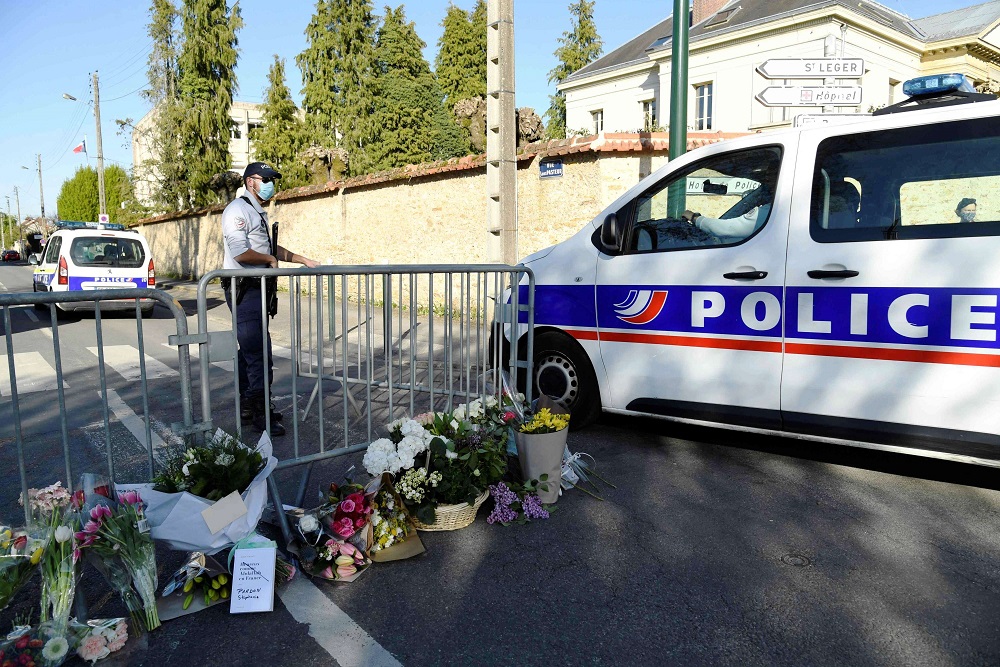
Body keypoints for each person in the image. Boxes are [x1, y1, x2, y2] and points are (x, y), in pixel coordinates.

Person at [221, 161, 320, 436]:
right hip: (244, 289)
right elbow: (241, 252)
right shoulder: (237, 210)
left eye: (271, 180)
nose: (270, 184)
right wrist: (269, 260)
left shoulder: (256, 211)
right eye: (264, 179)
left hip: (257, 289)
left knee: (250, 350)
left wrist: (301, 259)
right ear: (250, 182)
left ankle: (247, 404)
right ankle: (261, 414)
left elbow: (269, 248)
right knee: (258, 353)